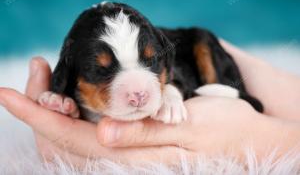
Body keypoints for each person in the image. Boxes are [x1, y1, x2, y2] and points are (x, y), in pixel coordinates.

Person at [0, 41, 299, 167]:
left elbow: (173, 80)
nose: (136, 94)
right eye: (102, 70)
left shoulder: (181, 59)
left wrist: (274, 142)